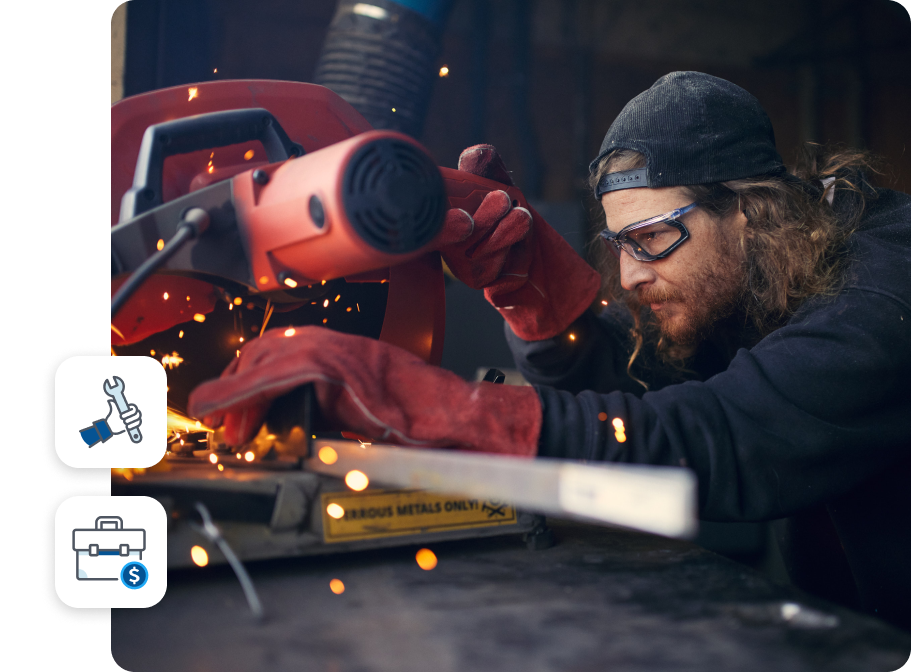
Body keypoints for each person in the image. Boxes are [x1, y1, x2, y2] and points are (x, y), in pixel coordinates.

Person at [188, 72, 910, 630]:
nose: (627, 276)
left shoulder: (885, 291)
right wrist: (547, 317)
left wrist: (448, 409)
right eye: (617, 247)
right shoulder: (770, 268)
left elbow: (726, 435)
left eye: (650, 240)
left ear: (749, 208)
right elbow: (649, 396)